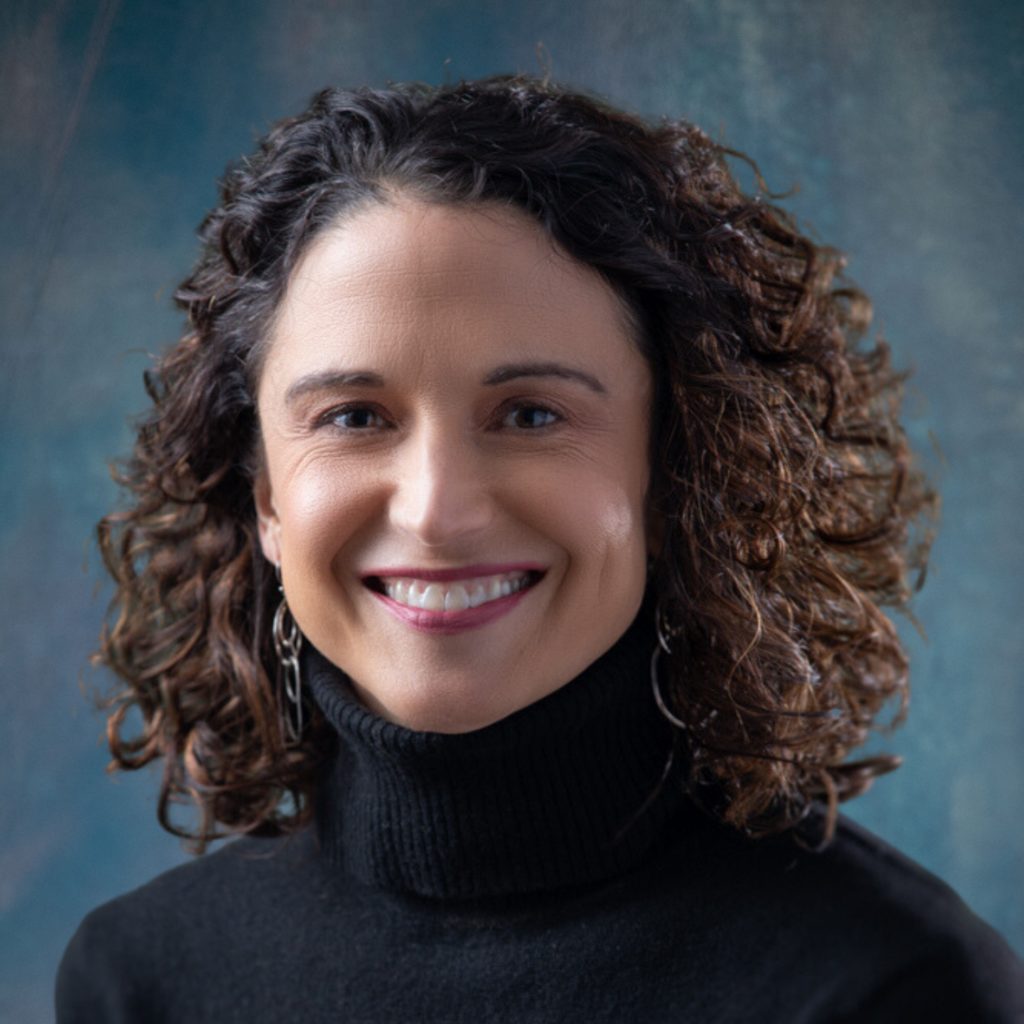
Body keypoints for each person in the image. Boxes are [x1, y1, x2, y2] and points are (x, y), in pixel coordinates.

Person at [56, 74, 1022, 1022]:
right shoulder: (140, 981)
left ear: (674, 471)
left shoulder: (886, 987)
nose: (436, 511)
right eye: (354, 416)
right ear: (266, 497)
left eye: (529, 413)